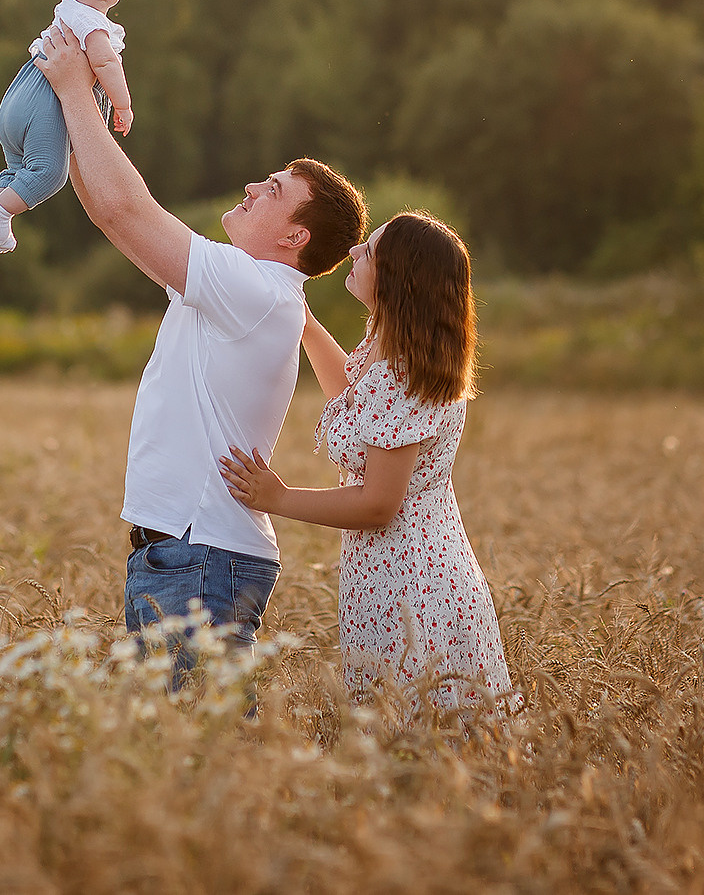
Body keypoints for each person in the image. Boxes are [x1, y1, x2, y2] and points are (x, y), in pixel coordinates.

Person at [31, 21, 365, 677]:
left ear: (296, 236)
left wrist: (74, 87)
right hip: (185, 551)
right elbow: (109, 208)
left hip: (200, 553)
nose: (250, 187)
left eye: (272, 190)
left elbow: (123, 210)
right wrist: (79, 99)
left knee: (195, 754)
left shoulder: (258, 288)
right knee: (182, 754)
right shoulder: (241, 290)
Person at [218, 212, 514, 709]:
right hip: (403, 572)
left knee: (421, 742)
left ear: (398, 280)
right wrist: (306, 323)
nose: (355, 252)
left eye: (370, 251)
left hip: (414, 588)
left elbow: (379, 503)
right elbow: (354, 399)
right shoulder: (392, 358)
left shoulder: (402, 376)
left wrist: (280, 497)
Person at [0, 0, 134, 253]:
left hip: (18, 95)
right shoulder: (89, 20)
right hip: (44, 104)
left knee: (18, 170)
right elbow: (105, 62)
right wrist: (123, 106)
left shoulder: (67, 13)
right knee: (49, 174)